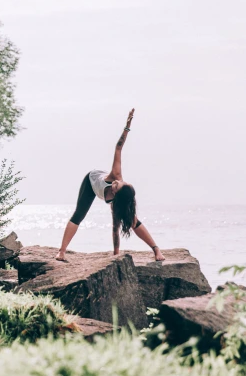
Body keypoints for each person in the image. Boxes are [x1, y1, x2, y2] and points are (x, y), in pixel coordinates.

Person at [56, 109, 165, 262]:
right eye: (119, 183)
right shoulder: (116, 175)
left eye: (116, 186)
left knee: (133, 221)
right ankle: (61, 252)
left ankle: (156, 249)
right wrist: (127, 127)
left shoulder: (117, 204)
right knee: (79, 215)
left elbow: (115, 229)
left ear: (115, 195)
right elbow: (119, 147)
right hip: (91, 181)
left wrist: (115, 254)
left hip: (107, 195)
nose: (116, 182)